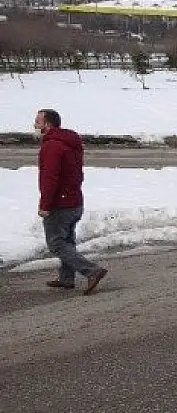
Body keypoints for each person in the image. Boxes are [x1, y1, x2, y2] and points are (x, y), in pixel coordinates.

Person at [35, 109, 108, 294]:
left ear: (48, 125)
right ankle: (66, 278)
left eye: (38, 121)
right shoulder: (69, 143)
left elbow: (50, 178)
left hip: (61, 203)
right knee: (67, 240)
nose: (35, 125)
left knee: (56, 243)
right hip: (74, 200)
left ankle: (91, 271)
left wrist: (45, 205)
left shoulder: (52, 146)